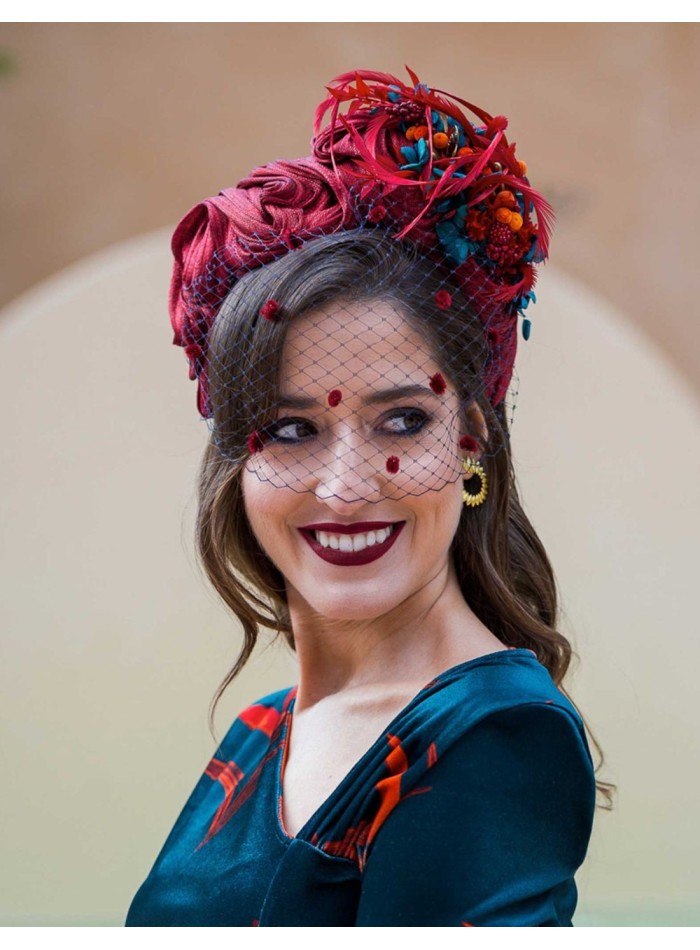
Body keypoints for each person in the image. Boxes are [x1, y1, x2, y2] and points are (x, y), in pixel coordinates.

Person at [125, 67, 610, 927]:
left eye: (401, 422)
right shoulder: (259, 731)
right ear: (237, 461)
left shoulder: (493, 736)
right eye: (289, 429)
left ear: (474, 436)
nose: (347, 488)